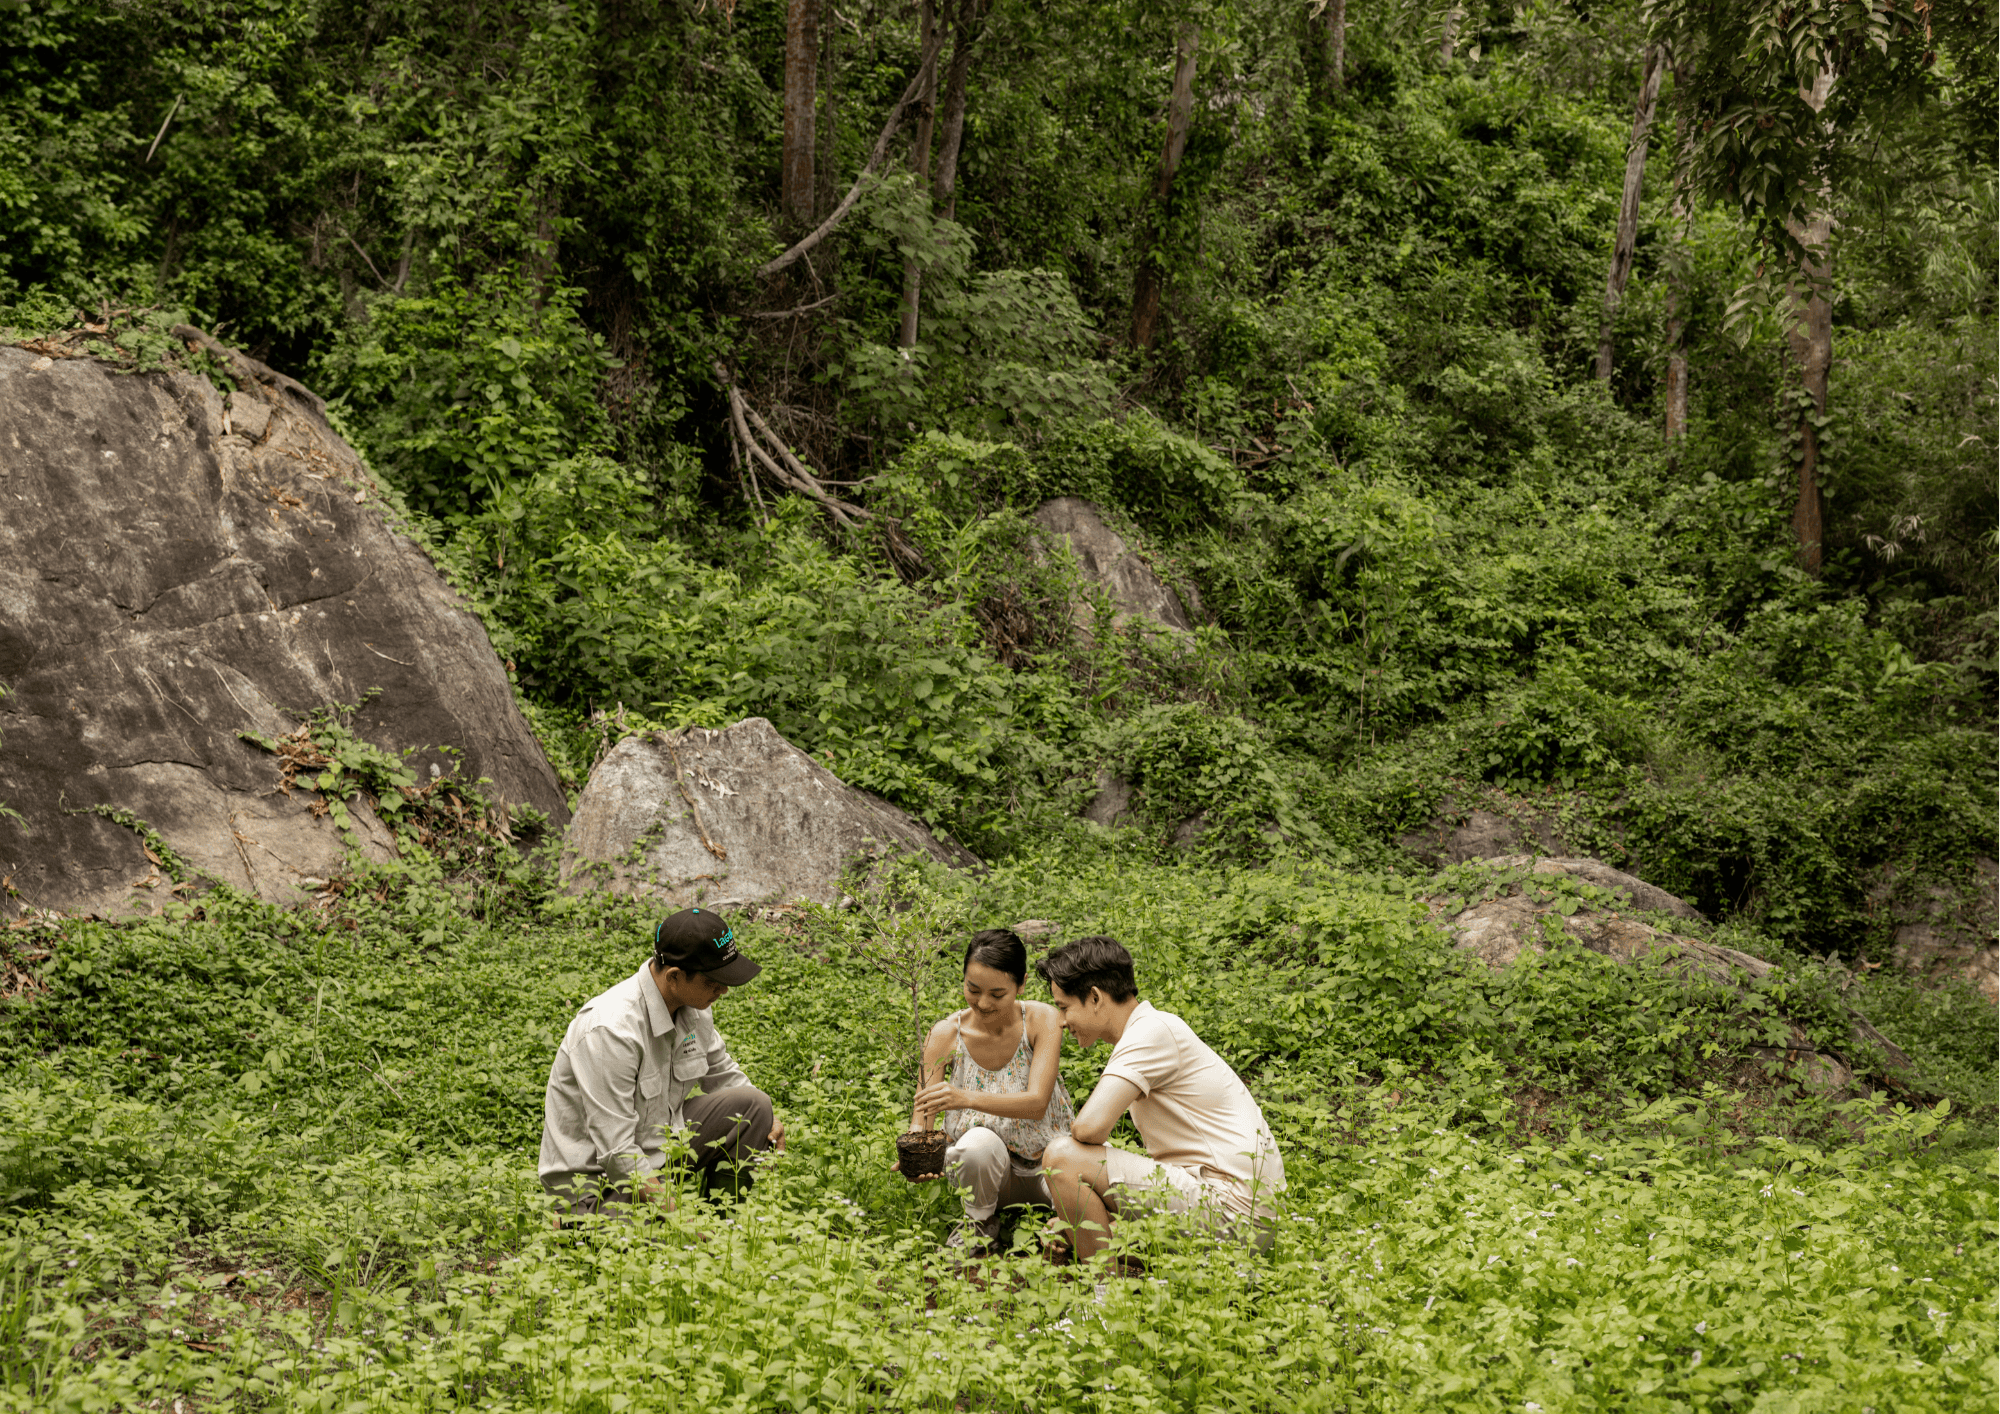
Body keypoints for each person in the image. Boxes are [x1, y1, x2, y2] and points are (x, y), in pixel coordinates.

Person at [1036, 935, 1284, 1260]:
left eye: (1064, 1007)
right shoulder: (1152, 1028)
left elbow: (1088, 1129)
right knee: (1056, 1183)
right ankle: (1096, 1246)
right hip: (1235, 1206)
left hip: (1234, 1210)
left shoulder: (1151, 1032)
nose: (1062, 1021)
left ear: (1095, 997)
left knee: (1062, 1159)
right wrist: (1073, 1218)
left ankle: (1104, 1301)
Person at [540, 907, 783, 1215]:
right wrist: (684, 1221)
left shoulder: (693, 1007)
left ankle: (725, 1225)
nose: (723, 990)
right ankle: (582, 1231)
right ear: (675, 977)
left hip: (659, 1154)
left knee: (754, 1106)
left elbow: (725, 1074)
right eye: (713, 982)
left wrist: (770, 1123)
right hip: (598, 1188)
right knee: (658, 1247)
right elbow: (617, 1154)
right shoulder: (612, 1031)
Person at [904, 928, 1075, 1254]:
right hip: (988, 1175)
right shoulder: (944, 1034)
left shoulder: (1042, 1019)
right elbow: (922, 1113)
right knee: (976, 1146)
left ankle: (1065, 1230)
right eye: (973, 989)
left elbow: (1036, 1103)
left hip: (1049, 1166)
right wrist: (917, 1151)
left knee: (1095, 1183)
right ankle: (979, 1226)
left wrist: (964, 1097)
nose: (983, 1003)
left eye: (998, 994)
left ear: (1021, 984)